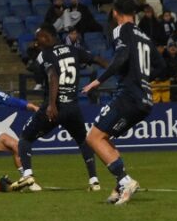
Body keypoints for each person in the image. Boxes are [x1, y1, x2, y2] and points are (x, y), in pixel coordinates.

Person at [82, 0, 167, 205]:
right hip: (145, 99)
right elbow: (163, 67)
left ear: (115, 12)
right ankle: (120, 186)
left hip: (129, 94)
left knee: (93, 138)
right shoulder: (144, 37)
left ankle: (125, 180)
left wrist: (98, 81)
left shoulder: (122, 29)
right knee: (104, 137)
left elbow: (121, 58)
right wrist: (144, 78)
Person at [11, 24, 106, 192]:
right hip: (73, 107)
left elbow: (53, 77)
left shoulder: (45, 54)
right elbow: (97, 59)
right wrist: (117, 69)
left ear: (48, 37)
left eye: (39, 38)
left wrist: (52, 104)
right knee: (84, 141)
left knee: (25, 138)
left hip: (55, 107)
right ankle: (94, 181)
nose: (37, 41)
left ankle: (28, 175)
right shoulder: (73, 50)